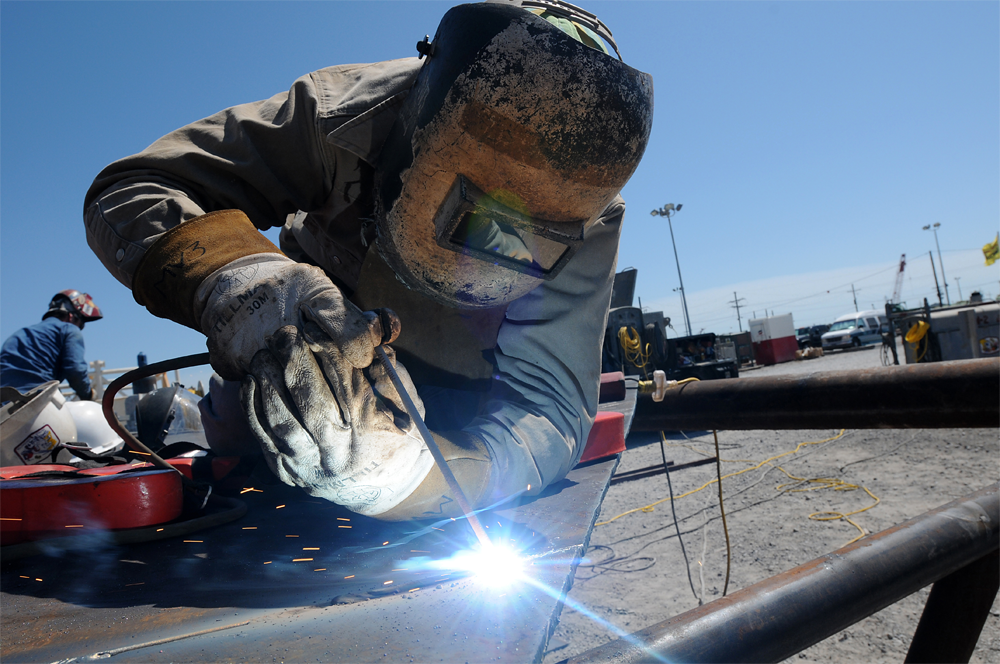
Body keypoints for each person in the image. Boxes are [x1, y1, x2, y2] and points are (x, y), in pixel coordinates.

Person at [83, 1, 653, 520]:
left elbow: (550, 410)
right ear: (417, 131)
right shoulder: (344, 116)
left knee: (442, 491)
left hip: (469, 389)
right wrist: (241, 283)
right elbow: (135, 187)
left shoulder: (589, 216)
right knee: (244, 434)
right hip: (311, 336)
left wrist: (405, 479)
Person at [0, 291, 103, 401]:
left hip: (4, 405)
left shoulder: (19, 334)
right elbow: (75, 369)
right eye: (81, 324)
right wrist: (87, 394)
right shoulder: (69, 329)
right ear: (71, 316)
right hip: (37, 401)